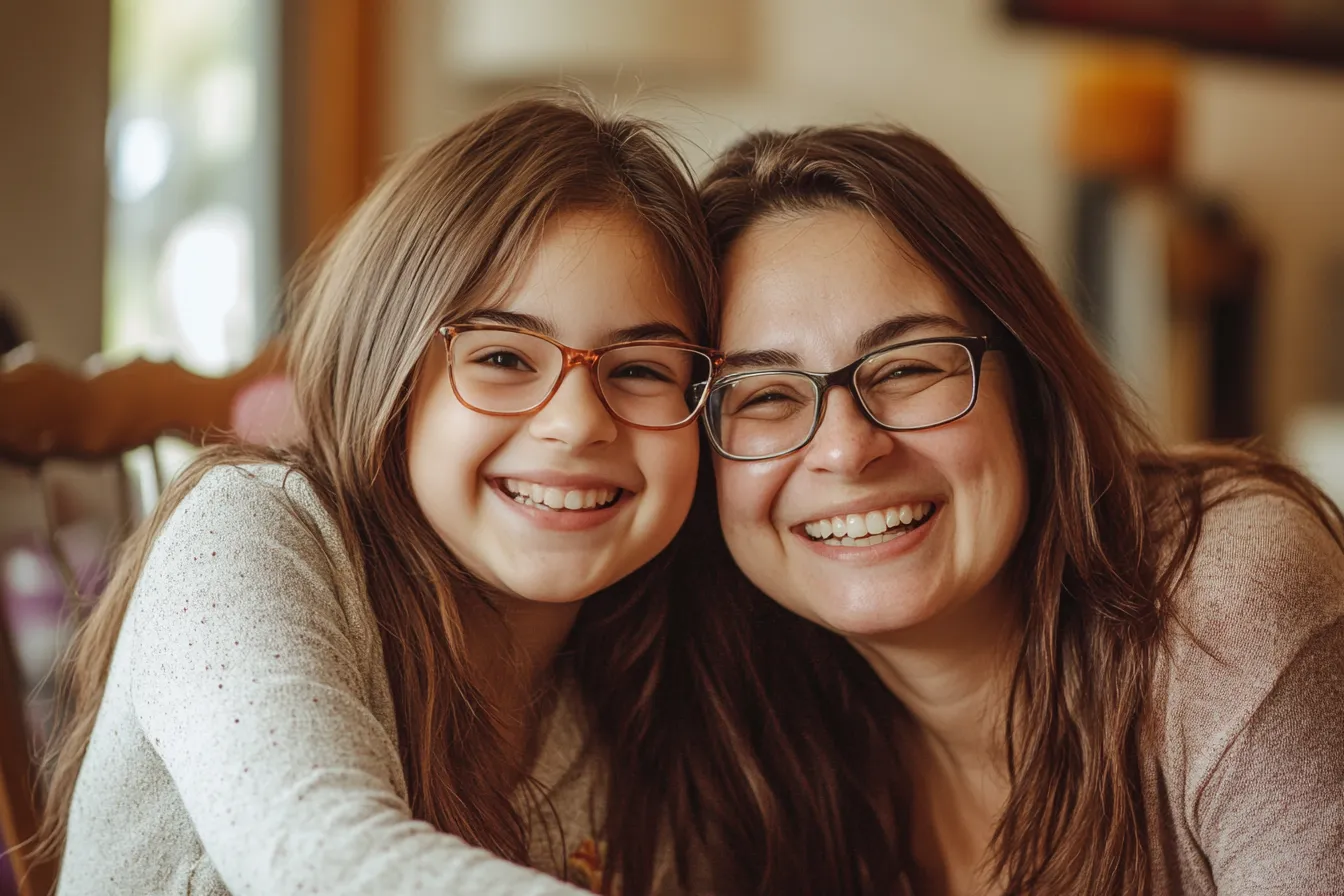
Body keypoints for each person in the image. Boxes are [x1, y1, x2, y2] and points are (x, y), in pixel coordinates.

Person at [38, 95, 723, 895]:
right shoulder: (246, 530)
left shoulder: (639, 685)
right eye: (503, 357)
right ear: (386, 365)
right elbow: (321, 857)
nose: (576, 424)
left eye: (640, 370)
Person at [695, 124, 1344, 895]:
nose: (846, 448)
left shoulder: (1225, 605)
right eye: (765, 395)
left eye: (907, 368)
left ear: (1029, 388)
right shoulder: (744, 741)